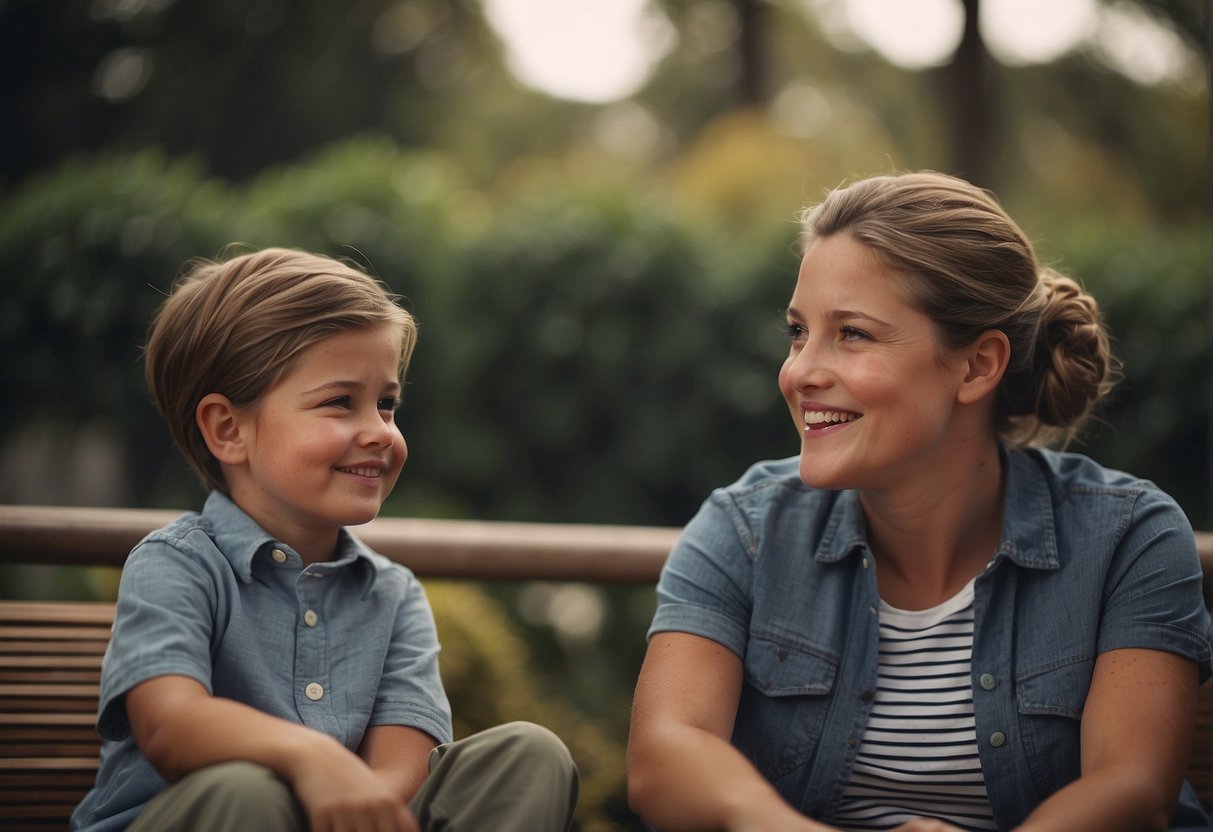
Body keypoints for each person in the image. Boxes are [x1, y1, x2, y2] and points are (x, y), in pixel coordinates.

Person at [626, 171, 1212, 831]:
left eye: (851, 333)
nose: (798, 372)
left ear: (976, 367)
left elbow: (1132, 789)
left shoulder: (1130, 539)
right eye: (797, 332)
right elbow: (663, 755)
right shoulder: (742, 529)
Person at [71, 247, 579, 832]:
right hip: (209, 817)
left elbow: (402, 766)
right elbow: (170, 724)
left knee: (527, 753)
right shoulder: (176, 566)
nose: (380, 432)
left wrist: (361, 807)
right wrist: (306, 757)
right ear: (228, 429)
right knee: (247, 790)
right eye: (341, 402)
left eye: (386, 405)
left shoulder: (394, 595)